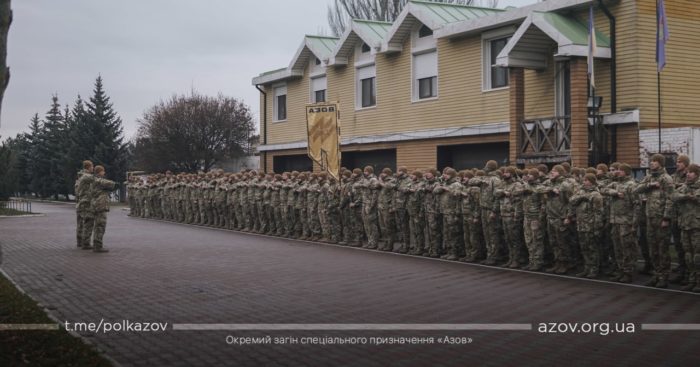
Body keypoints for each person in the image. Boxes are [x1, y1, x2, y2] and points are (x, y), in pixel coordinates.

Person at [84, 165, 116, 253]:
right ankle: (98, 246)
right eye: (103, 171)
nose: (104, 173)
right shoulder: (98, 180)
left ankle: (95, 245)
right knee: (100, 226)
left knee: (97, 225)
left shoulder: (92, 180)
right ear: (99, 172)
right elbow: (112, 184)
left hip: (94, 205)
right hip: (100, 206)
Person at [75, 160, 95, 248]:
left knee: (80, 223)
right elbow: (97, 181)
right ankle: (86, 243)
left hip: (80, 202)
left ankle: (79, 241)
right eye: (92, 166)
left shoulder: (79, 177)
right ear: (88, 167)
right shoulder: (87, 176)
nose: (93, 168)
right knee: (88, 222)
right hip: (86, 203)